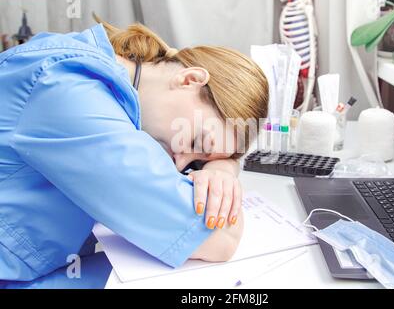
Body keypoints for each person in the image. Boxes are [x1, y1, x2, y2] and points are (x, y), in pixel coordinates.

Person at [0, 17, 268, 288]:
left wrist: (221, 168)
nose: (179, 164)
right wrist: (221, 176)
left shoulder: (92, 60)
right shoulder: (71, 94)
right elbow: (220, 238)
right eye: (196, 140)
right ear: (190, 79)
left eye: (196, 161)